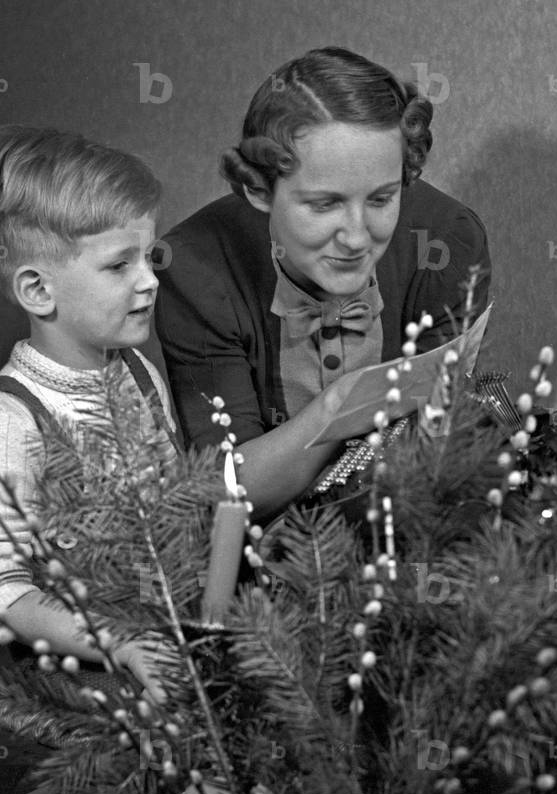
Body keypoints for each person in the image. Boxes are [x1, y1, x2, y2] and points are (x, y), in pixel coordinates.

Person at [0, 125, 234, 794]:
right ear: (39, 288)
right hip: (67, 655)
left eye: (151, 256)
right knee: (232, 732)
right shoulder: (5, 419)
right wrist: (118, 639)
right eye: (120, 266)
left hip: (156, 620)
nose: (151, 279)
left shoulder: (136, 373)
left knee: (287, 676)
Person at [156, 46, 491, 517]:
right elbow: (228, 491)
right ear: (258, 188)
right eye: (323, 204)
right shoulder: (195, 268)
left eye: (381, 198)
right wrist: (342, 405)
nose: (356, 237)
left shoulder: (448, 242)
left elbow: (437, 456)